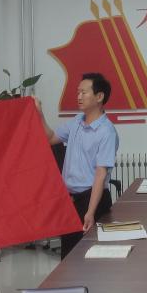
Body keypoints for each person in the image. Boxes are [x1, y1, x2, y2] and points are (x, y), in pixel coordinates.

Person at [36, 73, 119, 259]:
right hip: (71, 201)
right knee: (68, 256)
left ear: (99, 96)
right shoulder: (77, 121)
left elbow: (100, 174)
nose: (79, 96)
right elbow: (50, 138)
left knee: (88, 258)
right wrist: (39, 113)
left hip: (92, 200)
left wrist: (90, 211)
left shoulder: (107, 132)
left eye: (84, 92)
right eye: (78, 92)